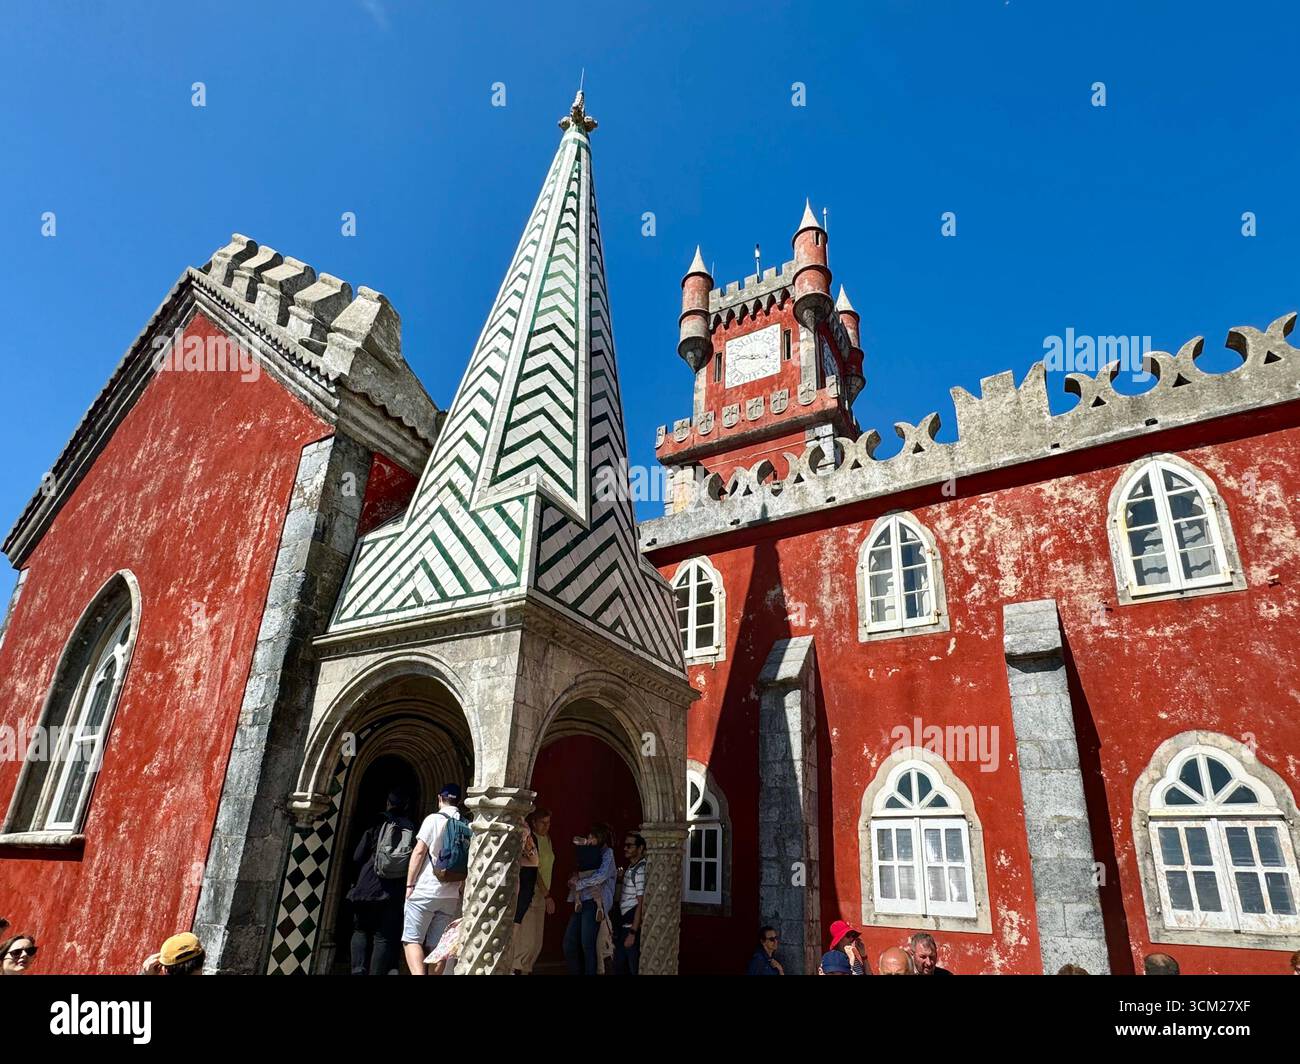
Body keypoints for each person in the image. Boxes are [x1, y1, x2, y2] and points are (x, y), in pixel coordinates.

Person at [403, 783, 470, 976]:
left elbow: (419, 852)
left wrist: (409, 885)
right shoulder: (466, 824)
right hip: (450, 895)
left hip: (425, 890)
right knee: (439, 946)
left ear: (440, 798)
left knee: (412, 939)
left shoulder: (433, 819)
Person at [347, 790, 415, 975]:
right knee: (382, 937)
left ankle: (358, 970)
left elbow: (357, 855)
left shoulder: (377, 822)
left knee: (360, 930)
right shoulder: (410, 827)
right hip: (393, 889)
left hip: (367, 885)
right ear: (407, 806)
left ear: (387, 803)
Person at [564, 822, 615, 975]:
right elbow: (575, 841)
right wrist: (574, 879)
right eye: (589, 837)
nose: (590, 840)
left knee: (588, 944)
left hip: (594, 902)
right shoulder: (586, 853)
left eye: (593, 837)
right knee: (569, 942)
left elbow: (601, 876)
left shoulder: (607, 853)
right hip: (581, 901)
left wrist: (579, 883)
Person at [511, 807, 554, 975]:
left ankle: (526, 970)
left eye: (548, 823)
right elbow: (535, 871)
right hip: (533, 891)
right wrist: (546, 894)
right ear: (533, 823)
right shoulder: (532, 839)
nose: (546, 826)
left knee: (537, 942)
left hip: (543, 893)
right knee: (526, 941)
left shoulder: (548, 839)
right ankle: (516, 970)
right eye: (542, 823)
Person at [613, 832, 647, 975]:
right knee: (620, 967)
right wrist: (620, 880)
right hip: (623, 926)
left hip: (630, 928)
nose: (625, 848)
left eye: (630, 845)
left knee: (633, 968)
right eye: (625, 845)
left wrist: (633, 932)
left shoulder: (639, 871)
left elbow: (641, 903)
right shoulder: (631, 868)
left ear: (640, 849)